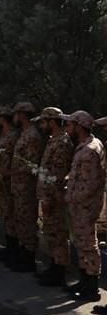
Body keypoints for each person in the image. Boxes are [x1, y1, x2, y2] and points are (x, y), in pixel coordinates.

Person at [62, 111, 105, 301]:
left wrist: (71, 197)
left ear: (79, 126)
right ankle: (84, 281)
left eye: (70, 125)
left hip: (84, 206)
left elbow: (90, 184)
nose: (67, 128)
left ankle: (92, 288)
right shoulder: (85, 145)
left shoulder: (90, 150)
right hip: (80, 205)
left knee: (88, 245)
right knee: (81, 243)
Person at [33, 107, 74, 286]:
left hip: (55, 197)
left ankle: (59, 274)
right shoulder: (53, 141)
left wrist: (50, 198)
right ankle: (53, 268)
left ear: (52, 122)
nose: (41, 126)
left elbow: (56, 175)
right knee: (51, 233)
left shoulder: (62, 142)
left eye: (43, 122)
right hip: (49, 195)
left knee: (58, 235)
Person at [9, 102, 43, 272]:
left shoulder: (32, 135)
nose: (14, 116)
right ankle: (22, 255)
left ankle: (29, 260)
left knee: (27, 221)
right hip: (18, 185)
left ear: (22, 114)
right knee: (21, 221)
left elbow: (32, 164)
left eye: (16, 112)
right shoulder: (24, 133)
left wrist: (13, 170)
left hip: (26, 187)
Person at [0, 106, 20, 264]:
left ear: (3, 118)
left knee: (10, 215)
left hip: (8, 181)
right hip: (1, 180)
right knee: (5, 214)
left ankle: (14, 250)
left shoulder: (13, 136)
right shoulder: (5, 135)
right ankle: (10, 248)